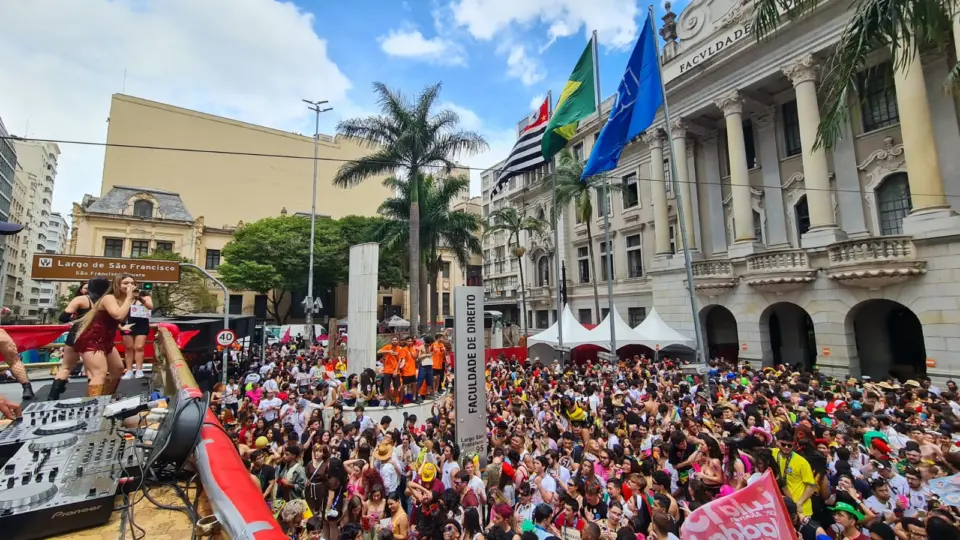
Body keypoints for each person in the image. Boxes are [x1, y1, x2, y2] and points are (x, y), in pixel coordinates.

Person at [72, 274, 136, 396]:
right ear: (117, 285)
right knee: (99, 373)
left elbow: (111, 319)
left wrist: (121, 327)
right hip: (92, 339)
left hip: (106, 339)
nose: (130, 286)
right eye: (126, 283)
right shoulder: (108, 298)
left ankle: (106, 397)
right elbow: (118, 315)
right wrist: (129, 298)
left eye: (132, 283)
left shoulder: (122, 300)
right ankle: (93, 406)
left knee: (117, 369)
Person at [52, 276, 111, 400]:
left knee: (66, 367)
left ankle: (52, 397)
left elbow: (63, 318)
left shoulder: (81, 300)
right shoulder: (108, 301)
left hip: (76, 333)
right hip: (95, 336)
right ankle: (93, 399)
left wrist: (77, 318)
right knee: (95, 371)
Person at [120, 284, 153, 379]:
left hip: (141, 323)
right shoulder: (123, 297)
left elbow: (150, 306)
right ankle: (129, 370)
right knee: (128, 347)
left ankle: (139, 369)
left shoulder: (145, 296)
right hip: (127, 323)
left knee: (139, 347)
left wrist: (139, 298)